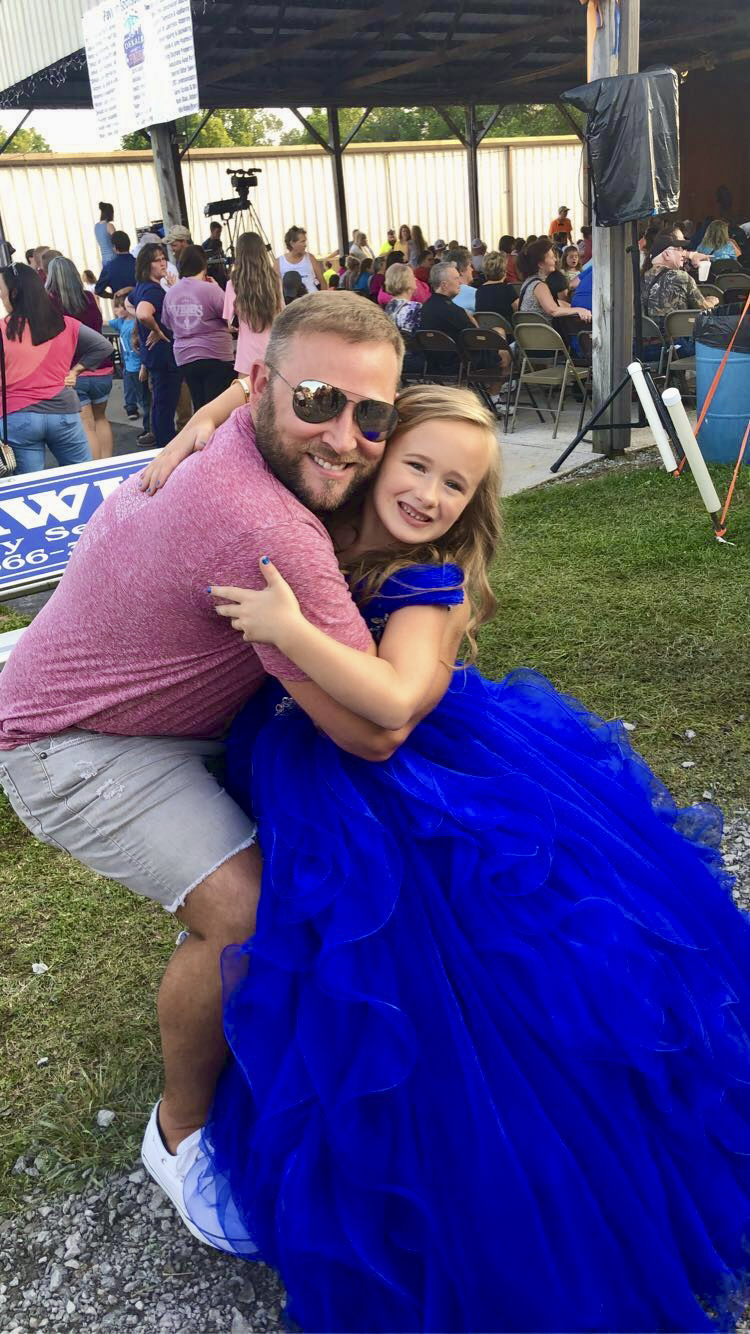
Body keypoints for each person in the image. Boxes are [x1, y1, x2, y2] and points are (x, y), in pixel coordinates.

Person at [146, 382, 750, 1334]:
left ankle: (497, 1154)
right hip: (311, 772)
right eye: (417, 466)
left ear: (475, 507)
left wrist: (290, 629)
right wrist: (190, 431)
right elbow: (262, 387)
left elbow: (393, 700)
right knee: (316, 942)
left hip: (409, 787)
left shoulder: (432, 581)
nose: (429, 495)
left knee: (447, 962)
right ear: (375, 451)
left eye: (457, 486)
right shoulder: (329, 513)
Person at [0, 292, 405, 1257]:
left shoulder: (233, 436)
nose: (347, 438)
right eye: (317, 399)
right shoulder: (265, 527)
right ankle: (179, 1132)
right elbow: (373, 729)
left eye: (373, 415)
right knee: (243, 913)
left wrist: (207, 415)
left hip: (146, 716)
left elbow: (240, 400)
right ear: (264, 384)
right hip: (72, 746)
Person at [0, 262, 111, 474]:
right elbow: (103, 346)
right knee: (82, 477)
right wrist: (76, 370)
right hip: (64, 411)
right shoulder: (64, 324)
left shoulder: (2, 329)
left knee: (31, 486)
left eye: (1, 292)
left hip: (18, 417)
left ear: (13, 293)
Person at [45, 255, 115, 460]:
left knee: (87, 424)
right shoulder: (90, 298)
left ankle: (94, 471)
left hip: (74, 371)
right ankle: (108, 465)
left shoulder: (50, 303)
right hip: (102, 368)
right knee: (102, 418)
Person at [161, 246, 235, 411]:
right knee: (218, 410)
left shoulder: (171, 293)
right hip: (215, 354)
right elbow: (230, 317)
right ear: (204, 265)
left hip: (185, 356)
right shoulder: (211, 290)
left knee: (200, 406)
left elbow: (167, 323)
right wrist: (218, 288)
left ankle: (201, 437)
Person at [133, 242, 182, 448]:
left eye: (164, 258)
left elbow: (130, 303)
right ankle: (166, 447)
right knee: (164, 406)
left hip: (156, 357)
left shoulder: (143, 288)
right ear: (147, 265)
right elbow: (143, 313)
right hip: (164, 358)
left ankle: (164, 444)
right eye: (157, 260)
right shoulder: (152, 291)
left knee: (160, 405)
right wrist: (156, 329)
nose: (163, 263)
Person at [222, 231, 282, 376]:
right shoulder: (275, 281)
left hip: (246, 357)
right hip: (273, 353)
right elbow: (281, 314)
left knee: (248, 396)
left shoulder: (233, 284)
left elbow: (230, 326)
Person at [641, 235, 719, 331]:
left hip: (648, 337)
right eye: (679, 249)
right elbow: (704, 308)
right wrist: (712, 301)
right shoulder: (680, 276)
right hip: (675, 339)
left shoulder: (643, 275)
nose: (682, 254)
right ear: (666, 255)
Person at [518, 238, 592, 324]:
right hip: (544, 335)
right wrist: (579, 310)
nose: (555, 260)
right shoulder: (539, 286)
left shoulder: (528, 281)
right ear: (541, 264)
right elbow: (554, 311)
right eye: (552, 257)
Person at [110, 289, 151, 432]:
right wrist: (116, 298)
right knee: (140, 397)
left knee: (145, 400)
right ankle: (147, 426)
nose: (115, 310)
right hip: (129, 367)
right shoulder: (121, 322)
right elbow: (111, 321)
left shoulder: (136, 324)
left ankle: (149, 429)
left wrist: (143, 367)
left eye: (118, 307)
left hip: (138, 367)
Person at [276, 225, 324, 294]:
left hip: (313, 301)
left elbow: (322, 281)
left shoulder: (310, 258)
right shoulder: (279, 262)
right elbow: (276, 288)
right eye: (302, 241)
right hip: (291, 303)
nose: (305, 245)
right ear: (292, 243)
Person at [474, 250, 517, 322]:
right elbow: (518, 308)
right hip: (507, 330)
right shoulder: (507, 289)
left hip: (487, 330)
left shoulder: (479, 291)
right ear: (504, 271)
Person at [382, 261, 421, 334]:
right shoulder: (415, 308)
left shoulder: (389, 306)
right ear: (406, 281)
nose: (415, 279)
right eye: (413, 276)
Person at [95, 231, 137, 298]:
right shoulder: (140, 263)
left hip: (121, 306)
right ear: (129, 243)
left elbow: (98, 290)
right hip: (143, 303)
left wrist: (113, 296)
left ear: (114, 247)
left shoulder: (109, 267)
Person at [445, 246, 478, 314]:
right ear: (462, 270)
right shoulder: (476, 294)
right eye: (470, 266)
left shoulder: (442, 294)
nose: (472, 269)